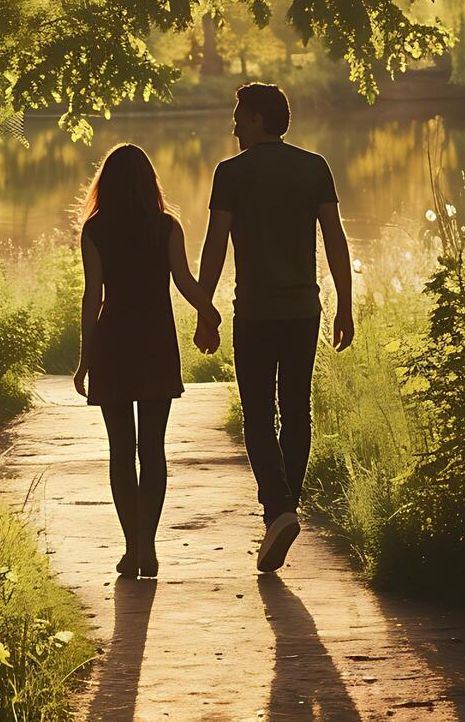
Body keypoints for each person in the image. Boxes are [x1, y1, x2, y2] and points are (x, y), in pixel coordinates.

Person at [195, 83, 353, 573]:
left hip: (257, 314)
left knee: (259, 416)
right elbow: (335, 240)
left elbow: (216, 245)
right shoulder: (314, 167)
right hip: (305, 310)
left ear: (259, 119)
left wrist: (205, 307)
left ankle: (279, 510)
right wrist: (344, 305)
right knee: (296, 409)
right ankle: (283, 512)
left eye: (240, 115)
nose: (235, 124)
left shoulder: (231, 174)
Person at [73, 144, 221, 578]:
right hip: (156, 342)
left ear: (107, 183)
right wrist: (209, 313)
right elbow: (184, 280)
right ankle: (149, 547)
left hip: (114, 342)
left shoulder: (95, 230)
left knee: (121, 450)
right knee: (152, 449)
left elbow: (92, 296)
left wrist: (85, 358)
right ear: (149, 182)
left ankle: (131, 546)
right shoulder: (166, 226)